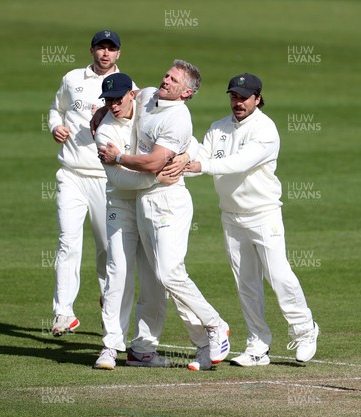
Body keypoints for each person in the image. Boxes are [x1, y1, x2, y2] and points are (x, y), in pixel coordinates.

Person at [98, 60, 230, 371]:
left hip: (170, 201)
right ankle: (200, 348)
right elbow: (124, 97)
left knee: (170, 273)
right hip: (145, 203)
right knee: (163, 278)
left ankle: (216, 325)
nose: (165, 80)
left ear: (186, 92)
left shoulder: (178, 118)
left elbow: (155, 161)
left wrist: (120, 157)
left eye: (173, 80)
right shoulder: (145, 96)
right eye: (166, 75)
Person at [184, 73, 319, 366]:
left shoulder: (265, 129)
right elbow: (200, 159)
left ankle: (305, 330)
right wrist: (178, 164)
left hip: (263, 214)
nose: (238, 102)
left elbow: (238, 163)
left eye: (244, 97)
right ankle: (258, 345)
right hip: (231, 217)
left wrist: (201, 164)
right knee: (246, 283)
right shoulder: (218, 128)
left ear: (257, 99)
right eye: (233, 96)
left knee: (279, 276)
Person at [48, 29, 132, 337]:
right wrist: (56, 125)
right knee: (67, 242)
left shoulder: (128, 86)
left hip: (105, 180)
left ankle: (108, 305)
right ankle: (63, 313)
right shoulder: (72, 79)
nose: (105, 53)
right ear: (92, 50)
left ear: (118, 54)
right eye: (101, 47)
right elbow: (56, 108)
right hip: (71, 174)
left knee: (108, 250)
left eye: (111, 48)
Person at [91, 73, 176, 369]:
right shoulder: (104, 132)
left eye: (118, 99)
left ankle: (143, 349)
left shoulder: (148, 101)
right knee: (119, 272)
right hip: (121, 205)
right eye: (108, 102)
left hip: (150, 205)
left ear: (132, 94)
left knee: (156, 276)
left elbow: (167, 101)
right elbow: (119, 179)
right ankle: (110, 346)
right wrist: (157, 174)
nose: (113, 106)